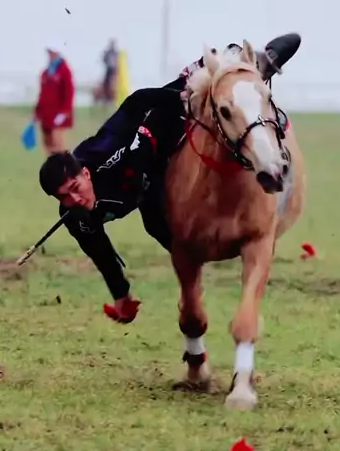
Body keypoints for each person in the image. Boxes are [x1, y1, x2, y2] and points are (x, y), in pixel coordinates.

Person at [38, 33, 301, 323]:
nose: (75, 199)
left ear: (86, 173)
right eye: (65, 197)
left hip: (158, 126)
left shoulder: (105, 153)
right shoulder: (75, 216)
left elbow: (137, 103)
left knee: (202, 101)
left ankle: (250, 68)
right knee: (161, 229)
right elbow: (101, 253)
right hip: (147, 191)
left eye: (75, 188)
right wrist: (122, 296)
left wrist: (181, 98)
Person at [34, 45, 75, 154]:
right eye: (49, 53)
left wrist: (65, 112)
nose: (50, 55)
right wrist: (37, 112)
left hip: (58, 115)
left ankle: (63, 164)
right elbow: (42, 94)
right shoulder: (46, 72)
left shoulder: (64, 70)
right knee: (48, 146)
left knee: (58, 145)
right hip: (46, 115)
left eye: (52, 52)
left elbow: (69, 92)